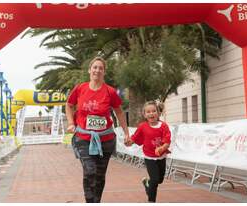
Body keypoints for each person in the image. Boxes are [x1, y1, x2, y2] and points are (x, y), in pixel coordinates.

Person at [66, 56, 130, 203]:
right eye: (95, 67)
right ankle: (90, 201)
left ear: (104, 72)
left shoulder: (110, 91)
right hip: (83, 138)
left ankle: (96, 202)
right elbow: (69, 105)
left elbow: (119, 111)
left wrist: (126, 133)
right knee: (90, 171)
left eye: (100, 68)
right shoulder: (80, 88)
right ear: (89, 70)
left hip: (106, 139)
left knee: (100, 176)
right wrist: (71, 122)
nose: (97, 70)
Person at [124, 101, 171, 202]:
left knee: (159, 180)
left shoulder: (164, 126)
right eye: (148, 112)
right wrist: (128, 142)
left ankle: (147, 183)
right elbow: (133, 138)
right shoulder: (142, 126)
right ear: (144, 115)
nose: (151, 113)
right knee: (154, 180)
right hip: (149, 157)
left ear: (158, 113)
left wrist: (161, 148)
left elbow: (167, 142)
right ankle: (151, 201)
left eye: (154, 111)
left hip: (161, 157)